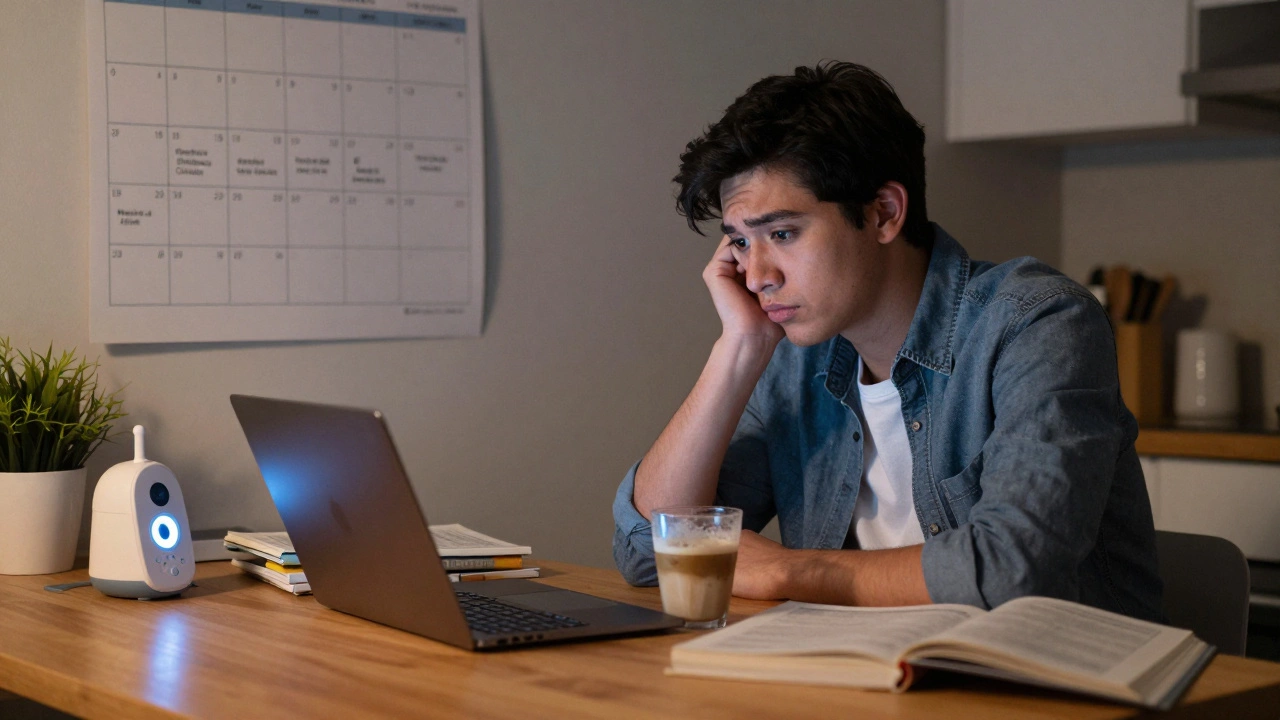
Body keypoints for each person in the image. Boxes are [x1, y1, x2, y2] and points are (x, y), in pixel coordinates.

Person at [611, 61, 1164, 621]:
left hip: (1049, 671)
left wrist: (788, 570)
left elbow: (1014, 568)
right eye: (739, 243)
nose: (756, 277)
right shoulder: (796, 360)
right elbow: (647, 551)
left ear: (883, 214)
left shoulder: (1037, 323)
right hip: (868, 668)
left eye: (781, 233)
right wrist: (739, 348)